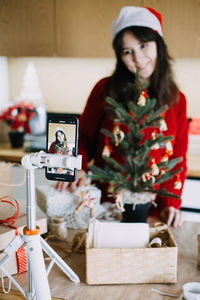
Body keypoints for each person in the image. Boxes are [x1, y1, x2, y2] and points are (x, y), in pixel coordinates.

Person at [56, 6, 188, 227]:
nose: (138, 58)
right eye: (127, 51)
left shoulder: (176, 100)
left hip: (153, 213)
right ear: (120, 56)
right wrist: (77, 167)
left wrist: (170, 203)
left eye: (144, 46)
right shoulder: (105, 90)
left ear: (159, 45)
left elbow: (177, 159)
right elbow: (83, 139)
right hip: (106, 210)